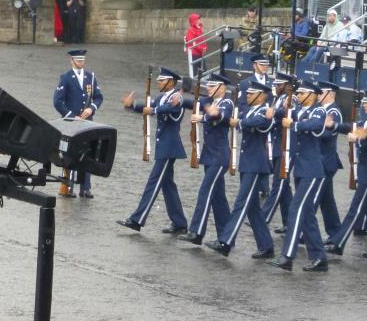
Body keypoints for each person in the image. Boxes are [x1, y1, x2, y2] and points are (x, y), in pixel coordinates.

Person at [205, 81, 276, 258]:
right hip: (247, 163)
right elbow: (233, 120)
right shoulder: (251, 110)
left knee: (241, 203)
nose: (247, 96)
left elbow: (261, 123)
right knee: (252, 208)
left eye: (251, 94)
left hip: (256, 164)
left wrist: (240, 122)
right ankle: (266, 246)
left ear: (261, 95)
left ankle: (226, 242)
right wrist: (218, 116)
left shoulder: (264, 112)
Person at [267, 80, 332, 272]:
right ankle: (319, 258)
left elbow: (315, 124)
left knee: (296, 209)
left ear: (312, 94)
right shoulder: (300, 110)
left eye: (302, 94)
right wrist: (274, 111)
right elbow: (285, 114)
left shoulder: (317, 110)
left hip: (313, 170)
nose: (299, 97)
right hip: (302, 169)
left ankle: (287, 256)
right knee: (307, 216)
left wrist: (293, 125)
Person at [325, 86, 367, 259]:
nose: (364, 106)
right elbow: (352, 126)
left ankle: (338, 243)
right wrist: (334, 125)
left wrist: (362, 137)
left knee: (355, 209)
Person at [117, 67, 187, 232]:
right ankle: (180, 223)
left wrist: (152, 110)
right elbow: (148, 106)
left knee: (153, 182)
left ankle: (137, 219)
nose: (158, 83)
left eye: (161, 80)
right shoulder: (162, 97)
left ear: (171, 82)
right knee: (167, 185)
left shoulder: (177, 98)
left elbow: (169, 109)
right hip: (164, 147)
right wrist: (132, 105)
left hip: (169, 148)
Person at [179, 74, 234, 245]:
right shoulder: (208, 101)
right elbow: (194, 104)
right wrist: (180, 99)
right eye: (208, 86)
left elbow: (221, 117)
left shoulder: (227, 103)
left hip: (219, 157)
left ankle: (197, 232)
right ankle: (226, 238)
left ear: (222, 88)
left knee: (205, 192)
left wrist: (203, 117)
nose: (208, 89)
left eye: (212, 86)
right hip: (210, 156)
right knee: (218, 198)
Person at [53, 49, 104, 199]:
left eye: (82, 60)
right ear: (72, 61)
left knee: (87, 153)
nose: (81, 63)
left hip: (87, 122)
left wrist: (91, 109)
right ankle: (68, 186)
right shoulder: (66, 78)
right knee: (70, 154)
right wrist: (71, 116)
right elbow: (57, 101)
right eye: (78, 60)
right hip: (72, 122)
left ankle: (85, 187)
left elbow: (98, 97)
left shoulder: (91, 77)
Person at [260, 74, 295, 231]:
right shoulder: (279, 98)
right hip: (277, 144)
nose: (276, 86)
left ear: (287, 86)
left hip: (287, 146)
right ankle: (289, 222)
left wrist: (274, 112)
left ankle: (263, 217)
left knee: (278, 183)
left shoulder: (291, 99)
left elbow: (289, 114)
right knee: (285, 189)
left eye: (279, 84)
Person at [316, 80, 348, 238]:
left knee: (313, 199)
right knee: (326, 201)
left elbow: (329, 133)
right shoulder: (322, 109)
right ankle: (335, 232)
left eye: (321, 92)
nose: (318, 95)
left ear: (330, 94)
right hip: (321, 159)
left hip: (326, 160)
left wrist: (311, 131)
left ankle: (302, 230)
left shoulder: (334, 112)